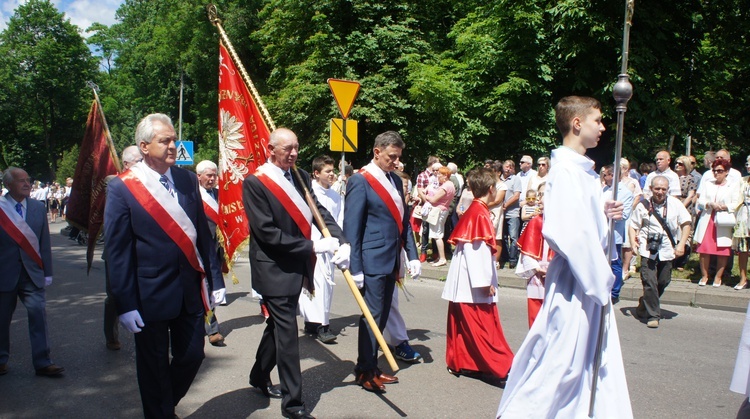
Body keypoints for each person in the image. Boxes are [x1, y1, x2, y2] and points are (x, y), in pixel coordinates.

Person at [497, 96, 632, 418]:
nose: (602, 127)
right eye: (597, 120)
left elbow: (584, 220)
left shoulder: (582, 172)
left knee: (581, 361)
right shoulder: (566, 172)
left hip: (587, 279)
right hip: (579, 280)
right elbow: (566, 231)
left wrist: (603, 211)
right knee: (562, 362)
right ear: (577, 123)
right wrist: (600, 278)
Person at [104, 114, 218, 418]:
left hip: (189, 289)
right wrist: (124, 304)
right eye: (164, 140)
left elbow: (201, 236)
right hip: (148, 294)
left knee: (193, 355)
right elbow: (118, 251)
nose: (173, 145)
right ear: (144, 146)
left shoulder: (186, 178)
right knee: (152, 365)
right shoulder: (122, 188)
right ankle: (160, 412)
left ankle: (163, 403)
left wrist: (213, 280)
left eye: (173, 139)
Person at [242, 128, 349, 419]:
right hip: (273, 267)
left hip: (297, 262)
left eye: (296, 148)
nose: (292, 153)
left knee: (278, 327)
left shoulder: (299, 174)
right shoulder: (255, 182)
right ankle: (293, 403)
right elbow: (266, 233)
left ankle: (258, 374)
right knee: (288, 334)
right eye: (286, 148)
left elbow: (320, 213)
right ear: (270, 148)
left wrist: (342, 240)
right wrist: (313, 246)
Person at [344, 130, 420, 393]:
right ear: (377, 152)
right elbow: (351, 227)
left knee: (382, 315)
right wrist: (355, 267)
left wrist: (412, 255)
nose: (396, 162)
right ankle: (365, 370)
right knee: (371, 318)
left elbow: (403, 222)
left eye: (398, 157)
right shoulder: (361, 181)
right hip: (371, 260)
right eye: (391, 157)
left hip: (391, 261)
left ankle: (372, 367)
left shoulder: (395, 181)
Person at [442, 168, 514, 380]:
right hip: (472, 284)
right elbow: (477, 251)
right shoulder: (480, 213)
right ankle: (504, 365)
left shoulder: (474, 210)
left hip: (465, 281)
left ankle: (464, 362)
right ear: (491, 189)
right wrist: (484, 282)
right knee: (483, 327)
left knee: (463, 326)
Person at [0, 167, 63, 377]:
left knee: (38, 315)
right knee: (1, 319)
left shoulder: (37, 207)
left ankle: (43, 361)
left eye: (28, 180)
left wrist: (48, 272)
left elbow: (44, 242)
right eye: (21, 181)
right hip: (4, 274)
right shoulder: (1, 208)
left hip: (32, 273)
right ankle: (1, 359)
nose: (27, 184)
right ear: (8, 185)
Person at [629, 176, 692, 328]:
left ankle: (644, 304)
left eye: (663, 189)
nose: (660, 192)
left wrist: (682, 244)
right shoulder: (643, 205)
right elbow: (633, 225)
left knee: (663, 281)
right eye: (657, 189)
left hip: (667, 249)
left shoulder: (675, 204)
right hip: (647, 249)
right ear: (651, 189)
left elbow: (686, 224)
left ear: (668, 190)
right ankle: (653, 315)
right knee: (649, 282)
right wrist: (633, 243)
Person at [101, 145, 143, 352]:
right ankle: (111, 335)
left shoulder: (149, 182)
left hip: (141, 251)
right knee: (115, 296)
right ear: (126, 164)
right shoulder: (114, 184)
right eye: (138, 161)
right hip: (117, 252)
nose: (143, 165)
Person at [299, 155, 343, 344]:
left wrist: (340, 241)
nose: (332, 174)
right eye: (328, 171)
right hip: (315, 245)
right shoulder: (310, 193)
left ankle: (316, 321)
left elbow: (338, 218)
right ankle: (321, 325)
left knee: (327, 285)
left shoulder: (335, 195)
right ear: (316, 174)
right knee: (317, 284)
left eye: (333, 171)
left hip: (331, 245)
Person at [196, 160, 227, 347]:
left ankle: (204, 324)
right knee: (206, 288)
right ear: (199, 176)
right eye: (209, 175)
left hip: (217, 249)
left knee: (214, 289)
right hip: (200, 250)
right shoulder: (193, 196)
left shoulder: (219, 194)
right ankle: (212, 329)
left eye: (214, 175)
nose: (212, 179)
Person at [694, 158, 739, 287]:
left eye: (720, 171)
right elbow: (700, 200)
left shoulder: (733, 185)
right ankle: (704, 275)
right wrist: (709, 203)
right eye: (714, 170)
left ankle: (718, 277)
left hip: (723, 220)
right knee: (704, 249)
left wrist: (724, 206)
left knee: (722, 250)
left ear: (726, 172)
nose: (716, 173)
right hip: (708, 218)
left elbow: (736, 203)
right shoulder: (708, 183)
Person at [515, 182, 551, 327]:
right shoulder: (535, 221)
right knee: (537, 320)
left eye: (543, 195)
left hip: (557, 275)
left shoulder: (565, 222)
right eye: (539, 195)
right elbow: (526, 253)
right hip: (538, 274)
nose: (539, 200)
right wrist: (537, 268)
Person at [602, 164, 634, 304]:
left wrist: (606, 211)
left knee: (614, 262)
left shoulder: (625, 193)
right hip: (602, 232)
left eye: (606, 174)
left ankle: (614, 292)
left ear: (613, 175)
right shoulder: (603, 189)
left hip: (614, 233)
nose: (604, 177)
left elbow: (625, 214)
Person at [417, 166, 456, 267]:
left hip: (439, 211)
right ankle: (440, 257)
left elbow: (434, 200)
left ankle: (442, 258)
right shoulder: (450, 184)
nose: (437, 176)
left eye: (440, 174)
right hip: (443, 210)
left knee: (437, 235)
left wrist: (423, 194)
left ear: (445, 176)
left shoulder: (445, 186)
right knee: (438, 234)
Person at [500, 160, 522, 268]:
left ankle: (513, 259)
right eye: (506, 166)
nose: (508, 168)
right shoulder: (498, 179)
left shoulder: (515, 179)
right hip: (501, 214)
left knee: (513, 237)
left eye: (510, 167)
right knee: (502, 236)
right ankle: (504, 256)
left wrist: (505, 205)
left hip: (512, 213)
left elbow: (516, 195)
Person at [733, 164, 750, 290]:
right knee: (743, 249)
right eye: (747, 164)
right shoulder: (742, 181)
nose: (749, 166)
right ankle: (743, 278)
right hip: (744, 217)